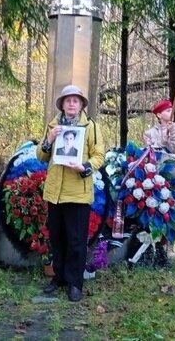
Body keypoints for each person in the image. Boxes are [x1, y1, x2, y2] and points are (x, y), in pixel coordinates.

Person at [37, 85, 105, 302]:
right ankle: (58, 277)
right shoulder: (53, 125)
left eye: (76, 100)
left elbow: (99, 155)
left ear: (81, 104)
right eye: (68, 100)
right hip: (55, 192)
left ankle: (75, 283)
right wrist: (49, 139)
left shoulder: (91, 127)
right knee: (57, 238)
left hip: (78, 192)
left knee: (76, 240)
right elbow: (41, 156)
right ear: (62, 105)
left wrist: (85, 167)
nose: (72, 104)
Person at [142, 98, 175, 261]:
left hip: (174, 173)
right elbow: (148, 151)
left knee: (174, 207)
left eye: (172, 110)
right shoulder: (150, 133)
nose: (171, 112)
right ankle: (156, 242)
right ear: (159, 114)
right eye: (167, 110)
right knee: (156, 205)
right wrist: (162, 139)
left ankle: (171, 244)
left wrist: (173, 134)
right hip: (156, 174)